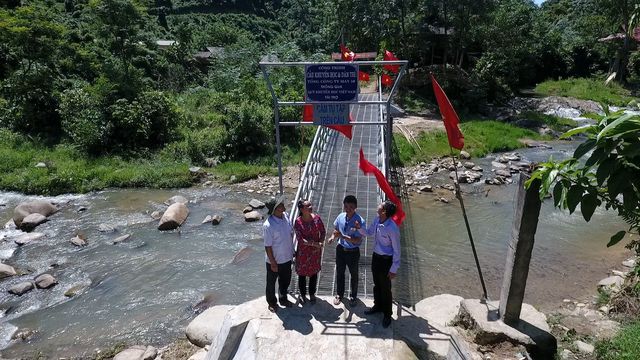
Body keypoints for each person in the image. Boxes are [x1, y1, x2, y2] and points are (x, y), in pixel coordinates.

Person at [356, 200, 401, 328]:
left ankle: (387, 314)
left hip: (386, 260)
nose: (379, 205)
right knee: (377, 284)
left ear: (384, 211)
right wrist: (360, 229)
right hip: (376, 257)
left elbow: (397, 250)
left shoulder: (392, 228)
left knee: (386, 288)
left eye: (381, 205)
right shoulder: (377, 220)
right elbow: (369, 232)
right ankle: (378, 306)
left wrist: (394, 269)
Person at [327, 195, 365, 306]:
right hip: (341, 250)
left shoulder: (360, 222)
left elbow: (357, 240)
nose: (348, 209)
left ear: (356, 207)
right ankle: (339, 294)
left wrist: (343, 237)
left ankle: (353, 296)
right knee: (340, 273)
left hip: (353, 252)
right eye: (346, 206)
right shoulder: (340, 216)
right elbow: (336, 229)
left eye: (351, 207)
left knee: (354, 274)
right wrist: (332, 237)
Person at [263, 195, 295, 313]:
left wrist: (292, 251)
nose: (282, 206)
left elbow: (289, 235)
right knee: (271, 283)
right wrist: (272, 262)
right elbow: (268, 246)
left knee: (285, 280)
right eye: (279, 206)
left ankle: (283, 298)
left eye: (281, 204)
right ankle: (272, 302)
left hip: (287, 257)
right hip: (275, 260)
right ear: (274, 210)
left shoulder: (286, 217)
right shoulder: (268, 225)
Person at [293, 199, 326, 304]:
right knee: (302, 275)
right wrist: (315, 244)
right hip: (303, 253)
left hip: (315, 253)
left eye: (310, 204)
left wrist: (320, 241)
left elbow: (323, 231)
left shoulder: (317, 219)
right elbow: (300, 239)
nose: (311, 207)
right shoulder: (298, 222)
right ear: (302, 209)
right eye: (307, 206)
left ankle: (312, 294)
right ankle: (302, 294)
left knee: (314, 274)